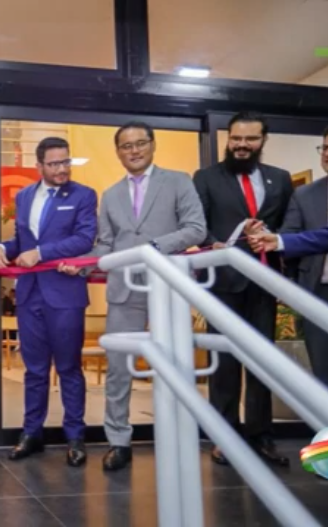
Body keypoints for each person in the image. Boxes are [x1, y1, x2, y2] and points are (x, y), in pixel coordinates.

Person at [58, 121, 206, 471]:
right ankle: (118, 441)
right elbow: (106, 245)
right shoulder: (110, 195)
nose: (134, 150)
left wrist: (152, 247)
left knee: (174, 365)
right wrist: (81, 264)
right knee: (119, 369)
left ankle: (178, 436)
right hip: (124, 288)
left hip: (168, 286)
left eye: (140, 143)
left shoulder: (178, 181)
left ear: (153, 145)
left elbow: (195, 229)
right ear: (118, 152)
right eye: (126, 146)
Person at [0, 137, 98, 467]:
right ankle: (31, 433)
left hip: (65, 294)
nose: (62, 169)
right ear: (38, 166)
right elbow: (22, 240)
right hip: (29, 294)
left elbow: (84, 239)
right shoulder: (24, 196)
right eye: (54, 164)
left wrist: (41, 253)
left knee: (69, 368)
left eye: (66, 162)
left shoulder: (83, 195)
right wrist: (2, 247)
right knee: (34, 370)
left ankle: (75, 437)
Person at [192, 111, 294, 467]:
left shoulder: (280, 179)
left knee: (262, 362)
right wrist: (214, 244)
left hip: (264, 282)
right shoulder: (206, 177)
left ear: (263, 140)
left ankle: (261, 435)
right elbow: (198, 226)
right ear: (228, 139)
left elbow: (289, 226)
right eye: (236, 138)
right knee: (224, 363)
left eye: (250, 139)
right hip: (223, 282)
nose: (241, 145)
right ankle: (225, 437)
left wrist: (277, 247)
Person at [246, 122, 328, 395]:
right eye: (324, 147)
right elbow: (289, 236)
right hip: (321, 293)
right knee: (326, 377)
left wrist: (278, 240)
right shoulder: (304, 194)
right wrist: (267, 236)